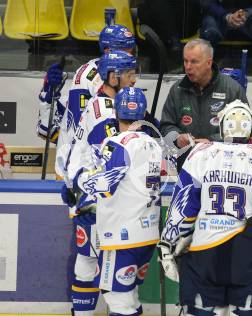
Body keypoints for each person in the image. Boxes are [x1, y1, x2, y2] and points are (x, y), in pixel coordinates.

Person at [158, 99, 252, 315]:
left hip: (205, 254)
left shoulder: (200, 153)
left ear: (222, 127)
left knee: (200, 311)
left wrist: (168, 242)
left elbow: (183, 208)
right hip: (249, 256)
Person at [74, 87, 162, 316]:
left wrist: (78, 180)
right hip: (148, 233)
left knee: (118, 299)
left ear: (115, 113)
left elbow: (104, 184)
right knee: (129, 295)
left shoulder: (117, 143)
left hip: (122, 237)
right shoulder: (154, 144)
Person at [63, 50, 137, 316]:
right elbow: (111, 155)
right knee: (90, 259)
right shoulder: (104, 110)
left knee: (94, 259)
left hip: (92, 191)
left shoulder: (108, 104)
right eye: (129, 74)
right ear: (113, 76)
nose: (134, 80)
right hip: (93, 196)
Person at [36, 24, 135, 179]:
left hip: (95, 170)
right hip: (80, 172)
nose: (130, 56)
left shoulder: (116, 72)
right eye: (125, 51)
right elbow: (82, 129)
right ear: (108, 51)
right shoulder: (93, 78)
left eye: (131, 51)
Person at [160, 39, 247, 171]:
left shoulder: (232, 90)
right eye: (185, 61)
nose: (188, 67)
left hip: (222, 169)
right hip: (185, 169)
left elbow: (244, 132)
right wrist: (177, 137)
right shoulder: (176, 90)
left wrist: (213, 143)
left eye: (194, 61)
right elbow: (166, 125)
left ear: (209, 63)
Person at [200, 0, 252, 75]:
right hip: (219, 17)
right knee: (210, 31)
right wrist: (226, 16)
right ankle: (203, 73)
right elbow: (207, 2)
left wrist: (246, 13)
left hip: (249, 18)